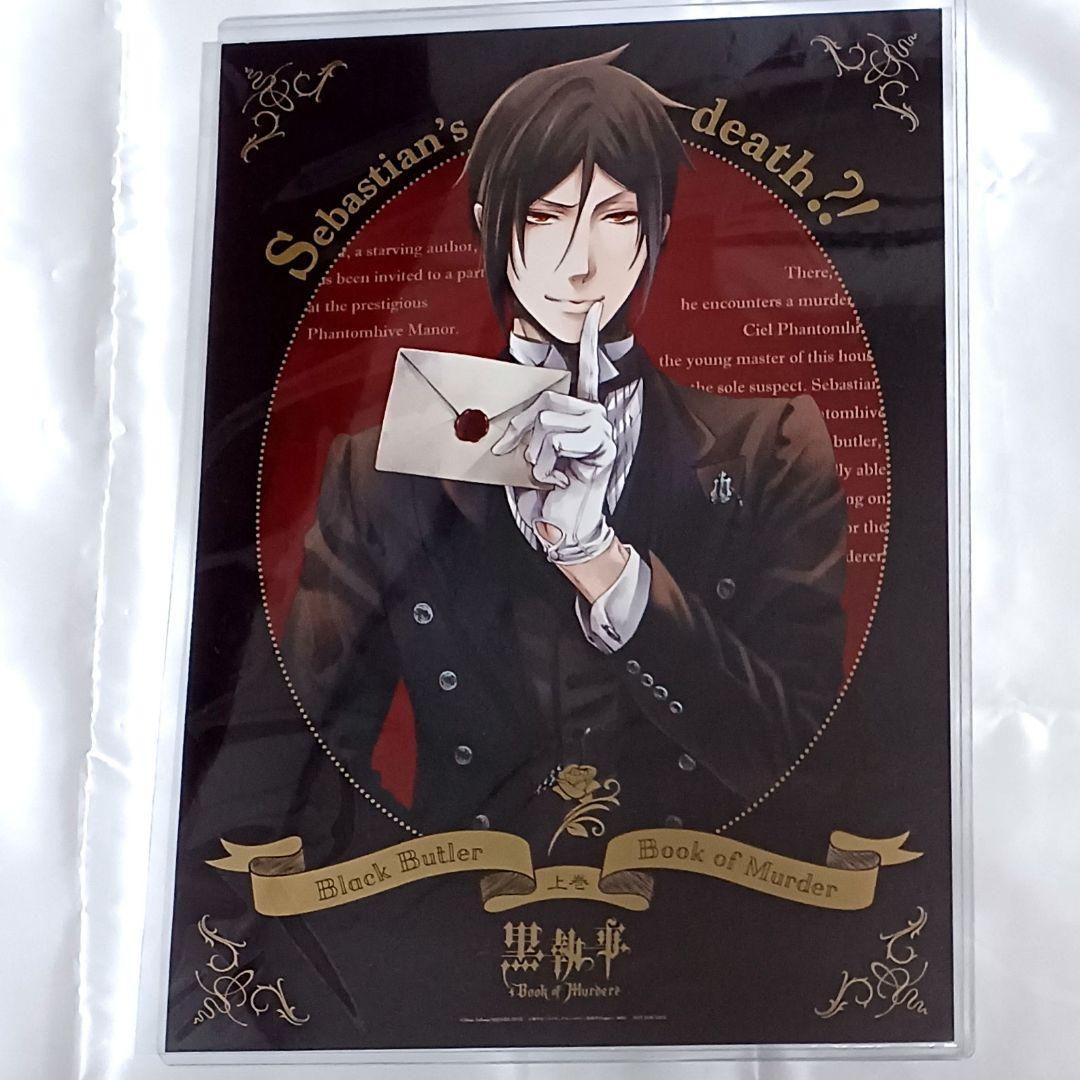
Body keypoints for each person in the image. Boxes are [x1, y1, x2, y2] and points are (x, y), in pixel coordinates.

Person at [281, 49, 847, 848]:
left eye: (615, 219)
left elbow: (800, 756)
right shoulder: (380, 467)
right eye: (544, 218)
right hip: (456, 895)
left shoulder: (774, 448)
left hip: (696, 892)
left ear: (657, 232)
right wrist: (413, 889)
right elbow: (306, 752)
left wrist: (598, 559)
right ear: (490, 222)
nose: (579, 265)